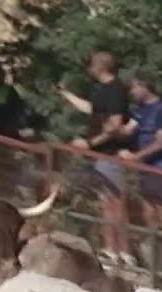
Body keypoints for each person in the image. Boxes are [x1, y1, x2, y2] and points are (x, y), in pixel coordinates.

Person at [60, 51, 131, 264]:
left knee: (115, 201)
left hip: (110, 153)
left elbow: (116, 124)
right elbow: (91, 110)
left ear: (100, 66)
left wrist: (90, 143)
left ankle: (124, 252)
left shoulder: (116, 89)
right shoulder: (101, 91)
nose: (88, 68)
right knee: (104, 201)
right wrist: (65, 94)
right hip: (98, 154)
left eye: (91, 64)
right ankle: (110, 249)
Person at [118, 72, 162, 271]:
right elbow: (126, 130)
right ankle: (154, 256)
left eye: (135, 87)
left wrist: (136, 156)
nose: (132, 92)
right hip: (144, 167)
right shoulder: (140, 110)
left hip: (160, 165)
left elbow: (161, 141)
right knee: (148, 211)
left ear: (145, 86)